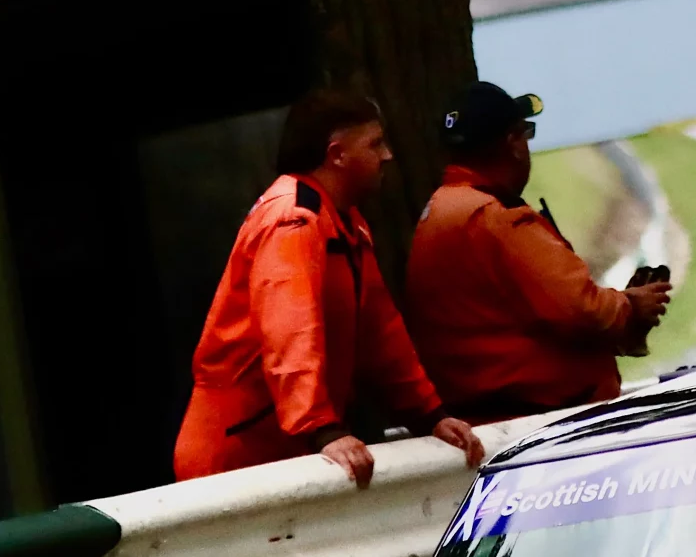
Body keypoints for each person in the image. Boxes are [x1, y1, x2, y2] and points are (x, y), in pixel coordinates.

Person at [174, 90, 484, 489]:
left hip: (279, 448)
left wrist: (430, 415)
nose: (388, 155)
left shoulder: (343, 222)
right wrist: (322, 429)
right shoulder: (294, 220)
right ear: (337, 154)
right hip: (237, 458)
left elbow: (381, 334)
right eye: (375, 143)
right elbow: (290, 335)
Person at [406, 82, 672, 420]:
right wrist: (632, 305)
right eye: (525, 134)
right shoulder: (497, 217)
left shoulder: (443, 208)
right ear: (513, 144)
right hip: (543, 418)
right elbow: (579, 310)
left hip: (492, 415)